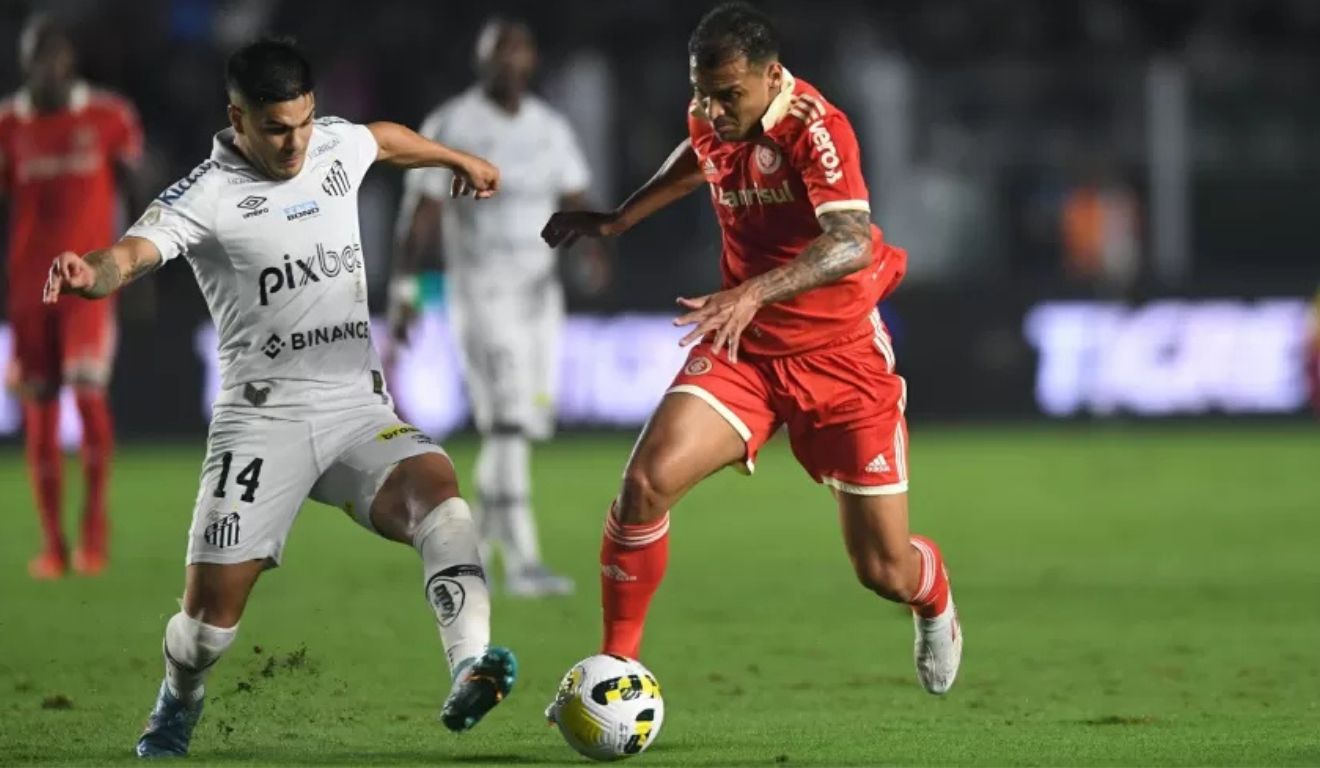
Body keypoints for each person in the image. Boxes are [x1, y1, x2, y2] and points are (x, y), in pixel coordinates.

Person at [42, 39, 517, 756]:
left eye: (303, 122)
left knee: (441, 499)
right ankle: (180, 696)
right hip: (261, 421)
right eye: (275, 128)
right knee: (205, 631)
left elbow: (381, 140)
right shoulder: (205, 193)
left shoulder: (329, 146)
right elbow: (132, 254)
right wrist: (91, 272)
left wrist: (456, 159)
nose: (295, 143)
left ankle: (470, 666)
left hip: (354, 406)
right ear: (238, 117)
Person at [540, 2, 962, 701]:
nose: (711, 107)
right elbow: (700, 159)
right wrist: (620, 219)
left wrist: (754, 291)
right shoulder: (713, 112)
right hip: (750, 351)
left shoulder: (818, 130)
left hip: (841, 356)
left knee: (882, 569)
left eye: (728, 94)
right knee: (645, 485)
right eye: (702, 91)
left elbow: (852, 238)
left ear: (772, 77)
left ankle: (933, 596)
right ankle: (617, 668)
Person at [390, 18, 604, 597]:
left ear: (533, 61)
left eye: (520, 51)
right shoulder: (453, 125)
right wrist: (406, 295)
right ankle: (525, 563)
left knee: (521, 428)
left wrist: (593, 251)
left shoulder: (549, 127)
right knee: (506, 419)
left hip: (540, 298)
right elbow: (422, 217)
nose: (511, 61)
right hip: (481, 293)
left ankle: (471, 549)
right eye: (500, 52)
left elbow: (575, 193)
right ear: (481, 61)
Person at [0, 15, 144, 579]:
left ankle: (94, 538)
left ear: (70, 62)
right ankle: (54, 547)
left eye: (56, 57)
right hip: (29, 288)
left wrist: (131, 268)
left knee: (87, 396)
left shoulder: (109, 117)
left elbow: (136, 187)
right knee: (39, 414)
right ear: (24, 62)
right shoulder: (10, 124)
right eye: (38, 57)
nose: (48, 68)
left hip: (90, 281)